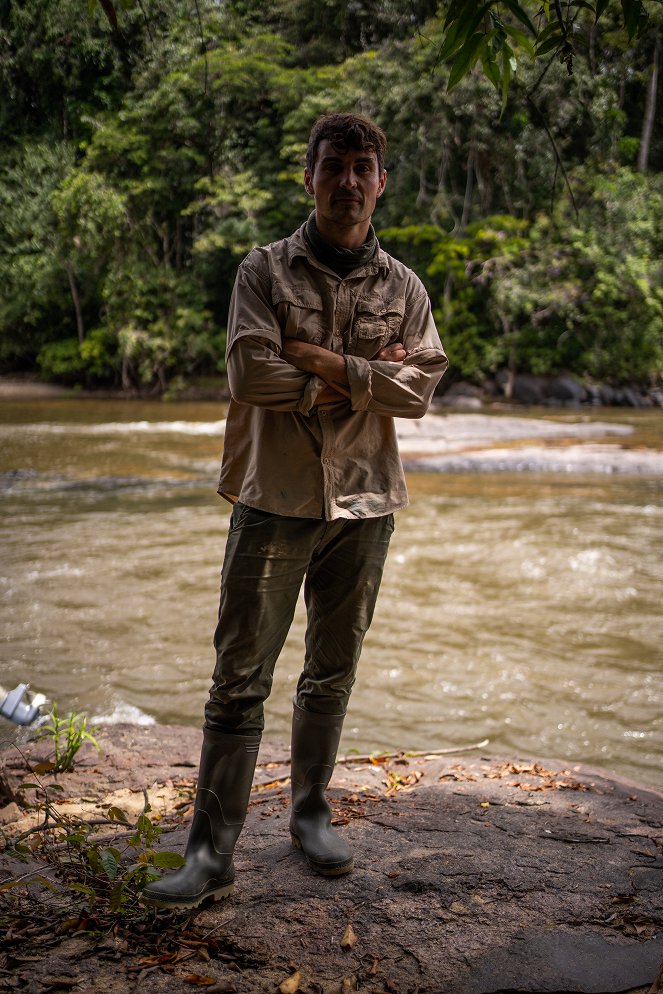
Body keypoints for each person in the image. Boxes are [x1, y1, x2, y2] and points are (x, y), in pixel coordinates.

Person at [142, 112, 448, 910]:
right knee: (238, 679)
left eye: (362, 167)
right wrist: (355, 377)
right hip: (270, 500)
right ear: (307, 177)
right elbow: (252, 379)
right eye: (333, 166)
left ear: (381, 182)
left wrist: (312, 359)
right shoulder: (263, 272)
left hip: (364, 505)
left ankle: (310, 815)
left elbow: (418, 390)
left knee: (331, 671)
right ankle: (210, 851)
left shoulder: (404, 288)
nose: (348, 181)